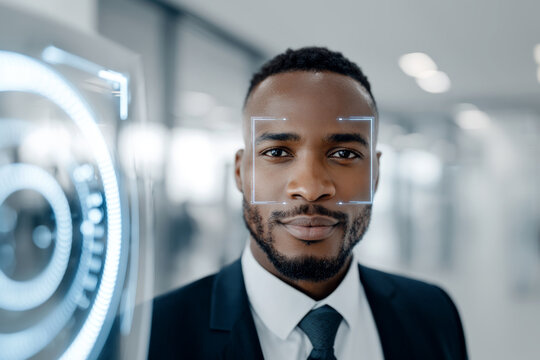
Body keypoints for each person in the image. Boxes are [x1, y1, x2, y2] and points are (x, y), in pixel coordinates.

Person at [149, 47, 468, 360]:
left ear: (375, 174)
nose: (311, 188)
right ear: (239, 173)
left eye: (344, 154)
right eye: (277, 152)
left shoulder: (432, 312)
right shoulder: (150, 335)